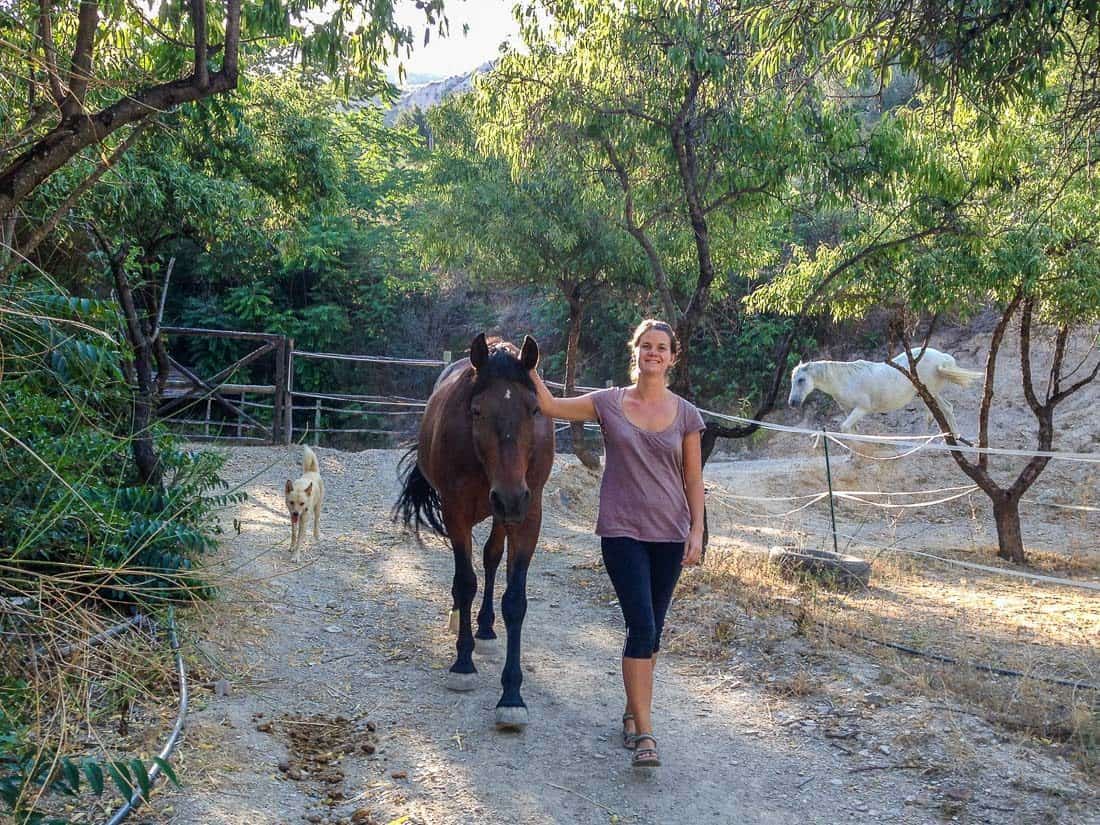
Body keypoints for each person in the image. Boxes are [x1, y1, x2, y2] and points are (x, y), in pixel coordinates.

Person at [529, 319, 705, 769]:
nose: (653, 353)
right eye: (646, 346)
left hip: (670, 534)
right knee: (642, 627)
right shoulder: (607, 403)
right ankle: (645, 732)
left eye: (661, 348)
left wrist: (697, 532)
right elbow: (549, 406)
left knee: (652, 633)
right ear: (636, 352)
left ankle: (632, 710)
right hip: (622, 532)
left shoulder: (686, 413)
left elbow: (693, 479)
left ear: (672, 356)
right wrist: (525, 364)